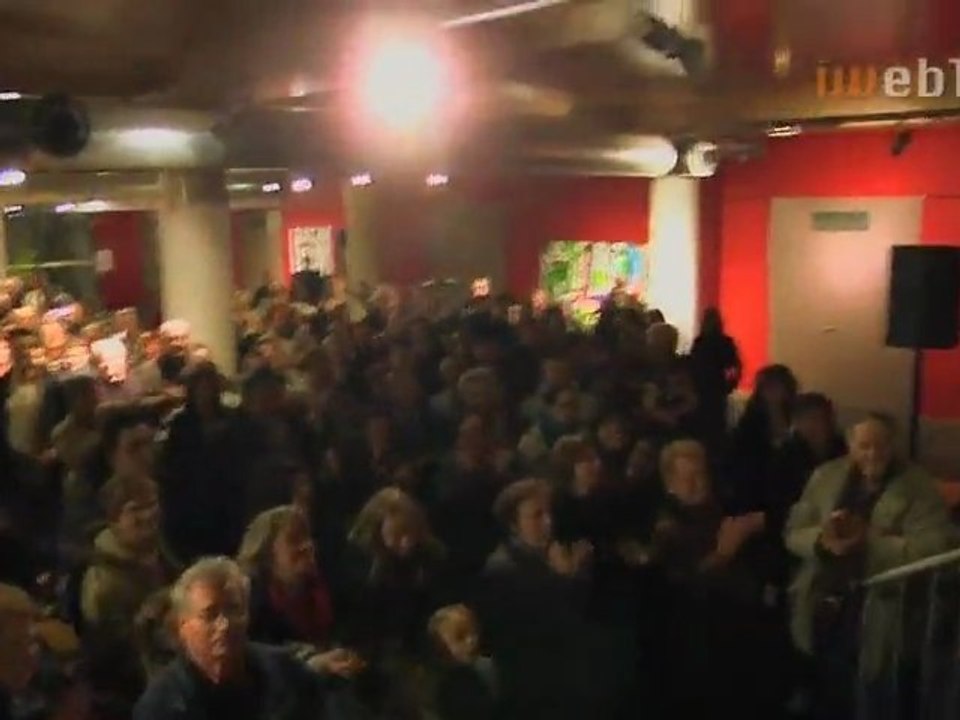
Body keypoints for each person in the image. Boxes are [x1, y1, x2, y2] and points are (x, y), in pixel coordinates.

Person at [785, 414, 954, 719]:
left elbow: (936, 547)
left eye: (881, 445)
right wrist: (824, 541)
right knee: (823, 691)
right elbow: (793, 532)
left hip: (880, 615)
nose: (873, 454)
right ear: (850, 445)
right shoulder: (825, 477)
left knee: (869, 699)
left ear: (893, 446)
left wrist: (869, 544)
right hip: (821, 608)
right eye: (864, 446)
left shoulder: (918, 488)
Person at [133, 557, 328, 720]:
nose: (225, 625)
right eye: (209, 615)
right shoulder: (161, 707)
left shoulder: (289, 674)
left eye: (234, 610)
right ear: (182, 626)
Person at [426, 604, 500, 720]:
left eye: (474, 632)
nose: (471, 640)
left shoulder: (489, 669)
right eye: (460, 636)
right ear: (440, 647)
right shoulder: (441, 686)